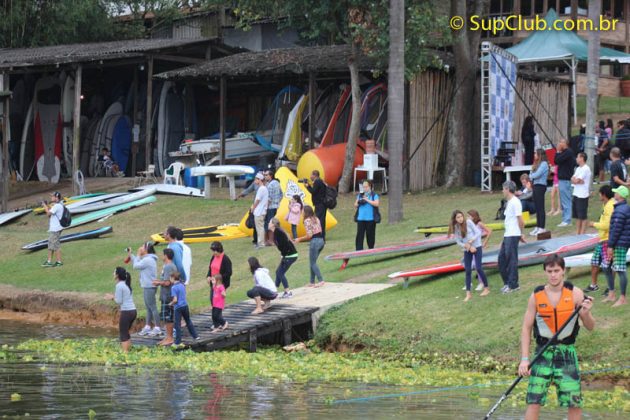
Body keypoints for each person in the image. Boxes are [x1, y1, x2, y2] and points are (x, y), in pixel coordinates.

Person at [518, 254, 595, 420]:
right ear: (545, 272)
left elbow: (590, 326)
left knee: (574, 402)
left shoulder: (576, 294)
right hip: (542, 354)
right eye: (549, 271)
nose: (553, 275)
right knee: (534, 401)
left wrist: (586, 313)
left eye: (556, 271)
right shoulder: (536, 296)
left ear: (563, 271)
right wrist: (524, 359)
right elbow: (526, 328)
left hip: (566, 353)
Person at [449, 210, 490, 302]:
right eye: (458, 217)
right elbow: (458, 241)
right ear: (455, 219)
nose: (460, 219)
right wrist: (467, 246)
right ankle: (468, 293)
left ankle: (486, 288)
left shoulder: (468, 222)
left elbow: (478, 233)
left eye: (461, 216)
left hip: (477, 246)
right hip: (467, 249)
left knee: (478, 268)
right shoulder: (456, 227)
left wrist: (471, 241)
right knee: (468, 270)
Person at [586, 185, 615, 293]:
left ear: (604, 195)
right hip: (602, 239)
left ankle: (610, 287)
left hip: (608, 239)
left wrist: (594, 224)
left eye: (600, 193)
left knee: (608, 265)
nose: (599, 195)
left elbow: (607, 225)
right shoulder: (606, 204)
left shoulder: (610, 206)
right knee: (594, 262)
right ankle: (594, 285)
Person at [498, 181, 525, 294]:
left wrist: (521, 234)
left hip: (513, 235)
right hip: (507, 235)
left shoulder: (515, 202)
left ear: (508, 189)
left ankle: (514, 285)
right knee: (501, 260)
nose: (502, 191)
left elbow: (521, 220)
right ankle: (507, 283)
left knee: (511, 261)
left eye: (503, 189)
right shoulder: (509, 202)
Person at [129, 242, 161, 337]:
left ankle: (157, 327)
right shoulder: (148, 259)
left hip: (149, 286)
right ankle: (147, 326)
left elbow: (136, 266)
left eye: (143, 247)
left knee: (152, 307)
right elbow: (138, 262)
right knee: (148, 307)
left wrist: (138, 255)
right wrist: (131, 255)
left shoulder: (148, 260)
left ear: (146, 249)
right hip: (147, 286)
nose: (141, 248)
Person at [606, 185, 630, 307]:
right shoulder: (623, 208)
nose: (614, 194)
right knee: (607, 266)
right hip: (621, 241)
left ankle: (622, 298)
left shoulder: (620, 210)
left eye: (616, 193)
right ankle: (611, 294)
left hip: (620, 243)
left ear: (620, 196)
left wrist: (610, 245)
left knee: (620, 270)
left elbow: (616, 230)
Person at [104, 267, 137, 353]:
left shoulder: (119, 285)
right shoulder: (126, 284)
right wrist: (113, 296)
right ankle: (128, 350)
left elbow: (119, 301)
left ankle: (125, 352)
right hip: (133, 311)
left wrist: (111, 297)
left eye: (114, 272)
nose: (113, 274)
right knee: (126, 331)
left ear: (117, 275)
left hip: (127, 312)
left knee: (123, 332)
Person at [295, 205, 325, 287]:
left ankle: (321, 280)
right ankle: (312, 282)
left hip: (315, 242)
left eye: (302, 211)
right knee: (313, 262)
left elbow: (309, 235)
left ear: (305, 212)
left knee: (313, 263)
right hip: (321, 241)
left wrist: (299, 239)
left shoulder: (307, 221)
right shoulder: (316, 218)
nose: (301, 212)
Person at [153, 248, 177, 346]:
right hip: (167, 295)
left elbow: (167, 282)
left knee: (168, 317)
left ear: (166, 255)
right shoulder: (170, 266)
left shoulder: (168, 267)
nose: (162, 256)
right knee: (167, 317)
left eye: (163, 255)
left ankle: (170, 338)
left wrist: (158, 282)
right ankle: (168, 337)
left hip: (167, 296)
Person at [269, 218, 298, 299]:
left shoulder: (278, 232)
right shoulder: (277, 232)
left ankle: (288, 292)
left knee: (280, 273)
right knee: (278, 272)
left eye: (269, 222)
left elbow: (285, 245)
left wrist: (284, 255)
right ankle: (274, 291)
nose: (268, 223)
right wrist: (283, 255)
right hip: (288, 254)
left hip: (290, 255)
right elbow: (283, 245)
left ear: (273, 224)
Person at [170, 271, 200, 345]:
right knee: (188, 321)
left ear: (173, 278)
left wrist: (170, 304)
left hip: (178, 308)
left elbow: (175, 300)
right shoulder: (182, 285)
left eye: (170, 278)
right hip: (185, 306)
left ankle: (178, 341)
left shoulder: (173, 287)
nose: (170, 279)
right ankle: (195, 336)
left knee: (177, 324)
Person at [468, 209, 492, 292]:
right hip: (471, 247)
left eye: (469, 216)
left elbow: (489, 231)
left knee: (477, 265)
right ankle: (469, 283)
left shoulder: (479, 223)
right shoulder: (471, 225)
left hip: (478, 247)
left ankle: (481, 283)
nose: (468, 218)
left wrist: (485, 242)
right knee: (472, 264)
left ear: (474, 216)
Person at [554, 138, 576, 227]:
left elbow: (558, 160)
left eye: (560, 142)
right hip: (562, 179)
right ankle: (565, 219)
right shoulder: (563, 153)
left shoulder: (568, 152)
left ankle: (567, 220)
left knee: (566, 200)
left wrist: (558, 151)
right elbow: (555, 161)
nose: (559, 144)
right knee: (564, 200)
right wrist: (558, 152)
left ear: (565, 143)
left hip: (566, 179)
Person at [354, 180, 380, 250]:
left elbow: (376, 204)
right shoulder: (360, 195)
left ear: (370, 187)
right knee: (359, 235)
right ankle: (359, 250)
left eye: (366, 187)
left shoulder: (374, 195)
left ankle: (371, 248)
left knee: (370, 235)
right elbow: (355, 205)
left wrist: (367, 200)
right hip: (361, 219)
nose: (365, 188)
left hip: (370, 219)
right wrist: (359, 202)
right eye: (363, 187)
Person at [529, 149, 549, 236]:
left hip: (540, 186)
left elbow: (537, 175)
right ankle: (538, 226)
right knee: (537, 208)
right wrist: (532, 175)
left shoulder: (544, 164)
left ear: (539, 155)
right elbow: (531, 173)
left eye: (535, 153)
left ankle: (542, 227)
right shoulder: (536, 164)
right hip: (536, 186)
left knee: (540, 207)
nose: (534, 155)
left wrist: (531, 176)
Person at [571, 152, 592, 235]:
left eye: (577, 157)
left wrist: (577, 181)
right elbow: (573, 179)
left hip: (582, 195)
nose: (576, 158)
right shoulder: (578, 168)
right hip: (576, 193)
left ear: (582, 158)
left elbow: (576, 180)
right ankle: (578, 233)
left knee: (583, 216)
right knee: (577, 216)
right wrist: (577, 181)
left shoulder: (586, 168)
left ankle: (582, 233)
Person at [41, 191, 64, 267]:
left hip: (55, 229)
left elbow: (48, 214)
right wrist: (47, 205)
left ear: (56, 198)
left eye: (52, 196)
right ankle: (50, 261)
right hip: (56, 228)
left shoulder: (57, 206)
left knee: (55, 245)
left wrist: (44, 205)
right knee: (51, 245)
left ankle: (57, 261)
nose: (51, 197)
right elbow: (51, 210)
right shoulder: (58, 205)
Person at [305, 170, 327, 240]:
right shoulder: (321, 181)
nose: (310, 177)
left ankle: (319, 236)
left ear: (314, 175)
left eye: (311, 175)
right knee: (321, 220)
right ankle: (322, 236)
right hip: (322, 203)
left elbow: (313, 191)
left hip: (319, 204)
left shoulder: (317, 181)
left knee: (318, 220)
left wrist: (308, 186)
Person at [264, 169, 283, 246]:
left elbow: (269, 198)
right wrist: (277, 202)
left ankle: (269, 240)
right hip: (276, 206)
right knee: (274, 223)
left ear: (270, 176)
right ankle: (274, 240)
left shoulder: (270, 185)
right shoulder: (277, 183)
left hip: (270, 207)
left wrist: (265, 208)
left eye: (266, 175)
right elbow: (282, 194)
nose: (265, 176)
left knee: (269, 224)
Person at [250, 172, 269, 249]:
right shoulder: (263, 188)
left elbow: (257, 200)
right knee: (260, 227)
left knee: (260, 228)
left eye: (256, 179)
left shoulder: (261, 189)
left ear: (260, 180)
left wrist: (253, 208)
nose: (255, 180)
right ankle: (260, 242)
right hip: (261, 211)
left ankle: (261, 244)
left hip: (259, 211)